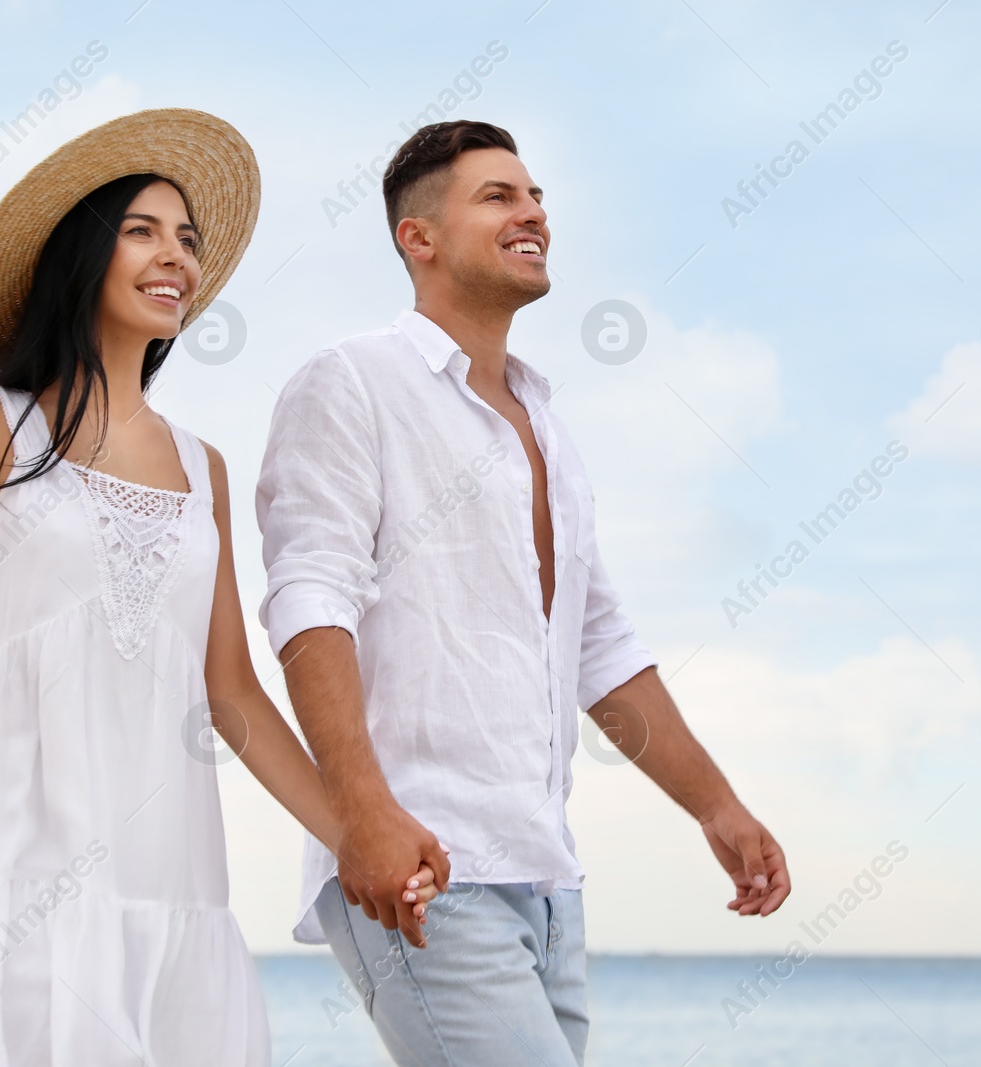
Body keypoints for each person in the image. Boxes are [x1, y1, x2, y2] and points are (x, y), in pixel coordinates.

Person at [0, 108, 440, 1067]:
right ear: (81, 256)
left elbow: (229, 693)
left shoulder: (202, 466)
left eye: (187, 238)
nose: (174, 256)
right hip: (15, 877)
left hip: (172, 880)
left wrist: (355, 834)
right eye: (141, 230)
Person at [254, 119, 793, 1065]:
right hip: (422, 865)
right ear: (416, 238)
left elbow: (597, 644)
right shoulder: (352, 383)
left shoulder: (543, 419)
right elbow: (310, 604)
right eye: (498, 196)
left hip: (546, 878)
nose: (533, 211)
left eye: (537, 195)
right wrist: (362, 814)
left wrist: (718, 806)